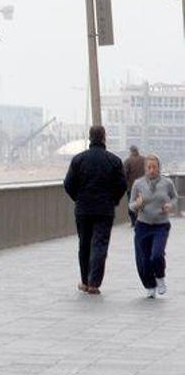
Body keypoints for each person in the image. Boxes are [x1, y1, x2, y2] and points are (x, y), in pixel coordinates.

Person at [63, 125, 127, 295]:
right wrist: (113, 200)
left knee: (84, 244)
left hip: (83, 209)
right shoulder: (114, 161)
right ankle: (94, 283)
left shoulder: (78, 160)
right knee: (99, 244)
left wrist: (79, 198)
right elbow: (122, 185)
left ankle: (84, 281)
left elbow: (68, 184)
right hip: (105, 209)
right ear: (104, 137)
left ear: (90, 138)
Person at [129, 154, 178, 298]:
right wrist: (137, 204)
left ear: (159, 167)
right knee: (144, 259)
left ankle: (160, 277)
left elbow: (174, 197)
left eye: (154, 167)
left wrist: (170, 205)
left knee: (156, 254)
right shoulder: (138, 184)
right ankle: (150, 285)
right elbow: (131, 206)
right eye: (149, 167)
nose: (151, 170)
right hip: (143, 225)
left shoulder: (167, 183)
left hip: (161, 225)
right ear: (145, 168)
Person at [123, 145, 146, 227]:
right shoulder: (144, 160)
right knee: (143, 204)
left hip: (131, 187)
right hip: (144, 187)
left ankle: (134, 221)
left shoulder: (127, 161)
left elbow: (124, 175)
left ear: (131, 151)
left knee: (132, 204)